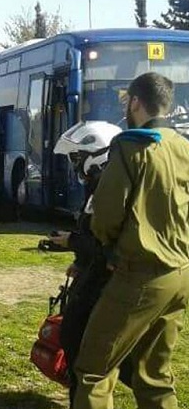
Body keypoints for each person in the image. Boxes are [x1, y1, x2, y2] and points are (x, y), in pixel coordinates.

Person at [74, 72, 189, 409]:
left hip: (140, 274)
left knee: (94, 369)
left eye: (127, 101)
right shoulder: (183, 146)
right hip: (180, 273)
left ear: (136, 102)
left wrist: (105, 245)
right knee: (155, 374)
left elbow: (107, 214)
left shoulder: (132, 145)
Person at [46, 121, 127, 406]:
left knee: (82, 347)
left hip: (104, 283)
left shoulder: (107, 187)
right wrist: (80, 262)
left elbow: (104, 243)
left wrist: (72, 242)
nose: (74, 164)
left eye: (77, 157)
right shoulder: (101, 184)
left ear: (96, 154)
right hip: (94, 276)